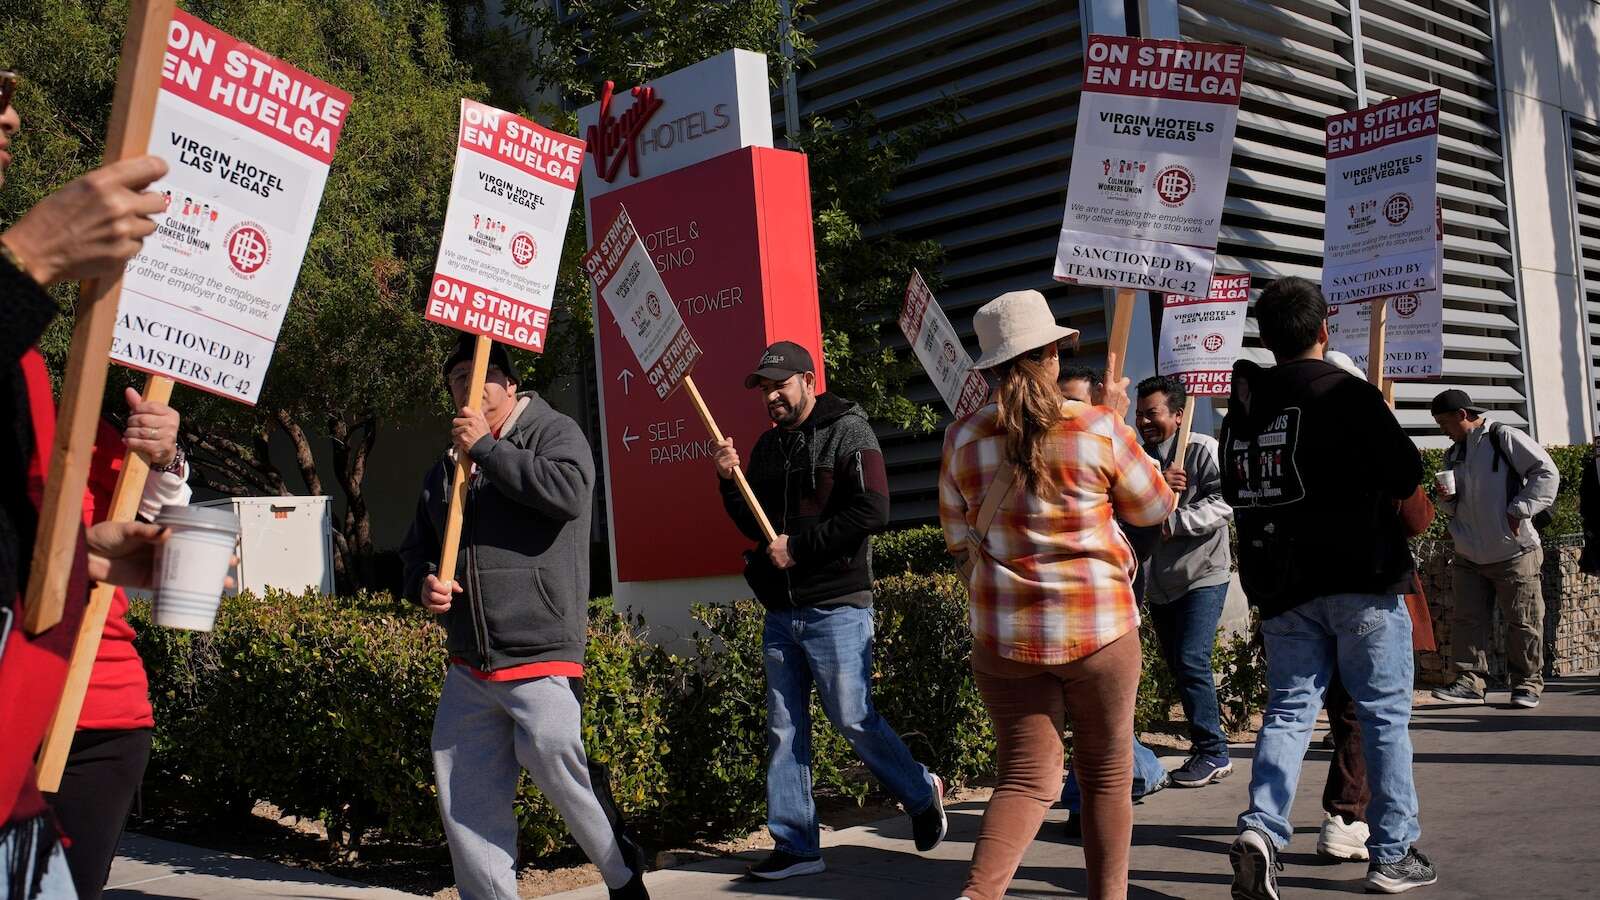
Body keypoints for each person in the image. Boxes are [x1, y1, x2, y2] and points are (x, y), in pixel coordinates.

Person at [0, 72, 178, 897]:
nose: (11, 114)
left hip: (30, 743)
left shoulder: (25, 365)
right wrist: (26, 263)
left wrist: (83, 556)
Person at [940, 290, 1176, 900]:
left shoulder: (962, 438)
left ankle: (979, 894)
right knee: (1105, 776)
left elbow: (955, 535)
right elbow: (1156, 506)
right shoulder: (1097, 427)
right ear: (1051, 355)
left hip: (1004, 636)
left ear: (991, 368)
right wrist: (1120, 423)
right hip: (1099, 627)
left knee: (1023, 779)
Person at [400, 335, 648, 900]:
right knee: (465, 797)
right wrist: (423, 585)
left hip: (541, 653)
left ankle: (621, 870)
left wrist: (487, 449)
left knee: (559, 763)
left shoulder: (553, 432)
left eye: (481, 375)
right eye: (458, 379)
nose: (468, 385)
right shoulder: (445, 467)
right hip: (470, 663)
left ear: (510, 385)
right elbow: (414, 550)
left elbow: (568, 492)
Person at [1220, 276, 1434, 896]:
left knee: (1289, 710)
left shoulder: (1246, 407)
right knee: (1383, 716)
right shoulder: (1350, 395)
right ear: (1323, 331)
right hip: (1361, 580)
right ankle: (1392, 852)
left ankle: (1261, 827)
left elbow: (1237, 492)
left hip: (1283, 588)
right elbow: (1404, 474)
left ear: (1266, 338)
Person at [711, 341, 945, 881]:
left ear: (809, 380)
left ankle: (918, 790)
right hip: (780, 608)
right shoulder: (768, 447)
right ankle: (797, 845)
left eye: (780, 384)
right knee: (784, 729)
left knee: (852, 716)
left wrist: (801, 546)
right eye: (765, 388)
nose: (771, 395)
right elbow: (758, 526)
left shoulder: (849, 431)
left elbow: (873, 509)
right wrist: (729, 482)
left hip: (837, 603)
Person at [41, 405, 191, 900]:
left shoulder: (76, 427)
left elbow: (167, 530)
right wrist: (79, 552)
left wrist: (166, 459)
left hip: (101, 724)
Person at [1132, 375, 1234, 788]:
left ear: (1178, 414)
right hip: (1158, 583)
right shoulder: (1136, 457)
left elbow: (1226, 502)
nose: (1143, 421)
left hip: (1203, 573)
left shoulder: (1204, 449)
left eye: (1151, 413)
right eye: (1138, 414)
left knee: (1192, 658)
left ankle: (1213, 751)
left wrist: (1175, 520)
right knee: (1178, 664)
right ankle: (1203, 740)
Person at [1429, 389, 1558, 709]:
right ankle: (1469, 682)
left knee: (1524, 620)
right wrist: (1445, 501)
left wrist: (1519, 509)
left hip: (1514, 550)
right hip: (1469, 551)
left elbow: (1546, 472)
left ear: (1462, 415)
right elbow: (1456, 505)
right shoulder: (1453, 453)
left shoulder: (1504, 437)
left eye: (1444, 422)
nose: (1443, 430)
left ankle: (1527, 683)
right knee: (1467, 620)